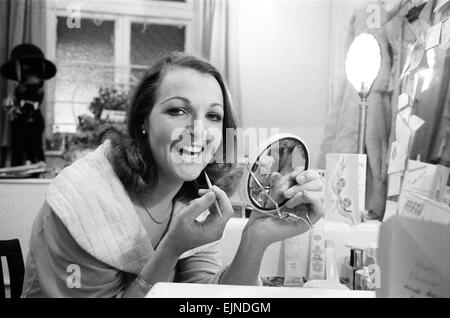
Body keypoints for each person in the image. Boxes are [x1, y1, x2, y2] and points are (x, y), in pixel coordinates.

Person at [21, 53, 324, 298]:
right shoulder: (83, 201)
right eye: (178, 111)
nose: (199, 130)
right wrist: (171, 249)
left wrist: (256, 240)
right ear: (143, 121)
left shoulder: (196, 194)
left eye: (213, 116)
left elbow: (210, 301)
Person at [1, 43, 57, 166]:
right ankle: (19, 167)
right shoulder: (18, 89)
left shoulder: (38, 88)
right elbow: (11, 104)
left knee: (35, 145)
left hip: (34, 118)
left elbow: (36, 97)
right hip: (19, 118)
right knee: (18, 144)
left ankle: (37, 164)